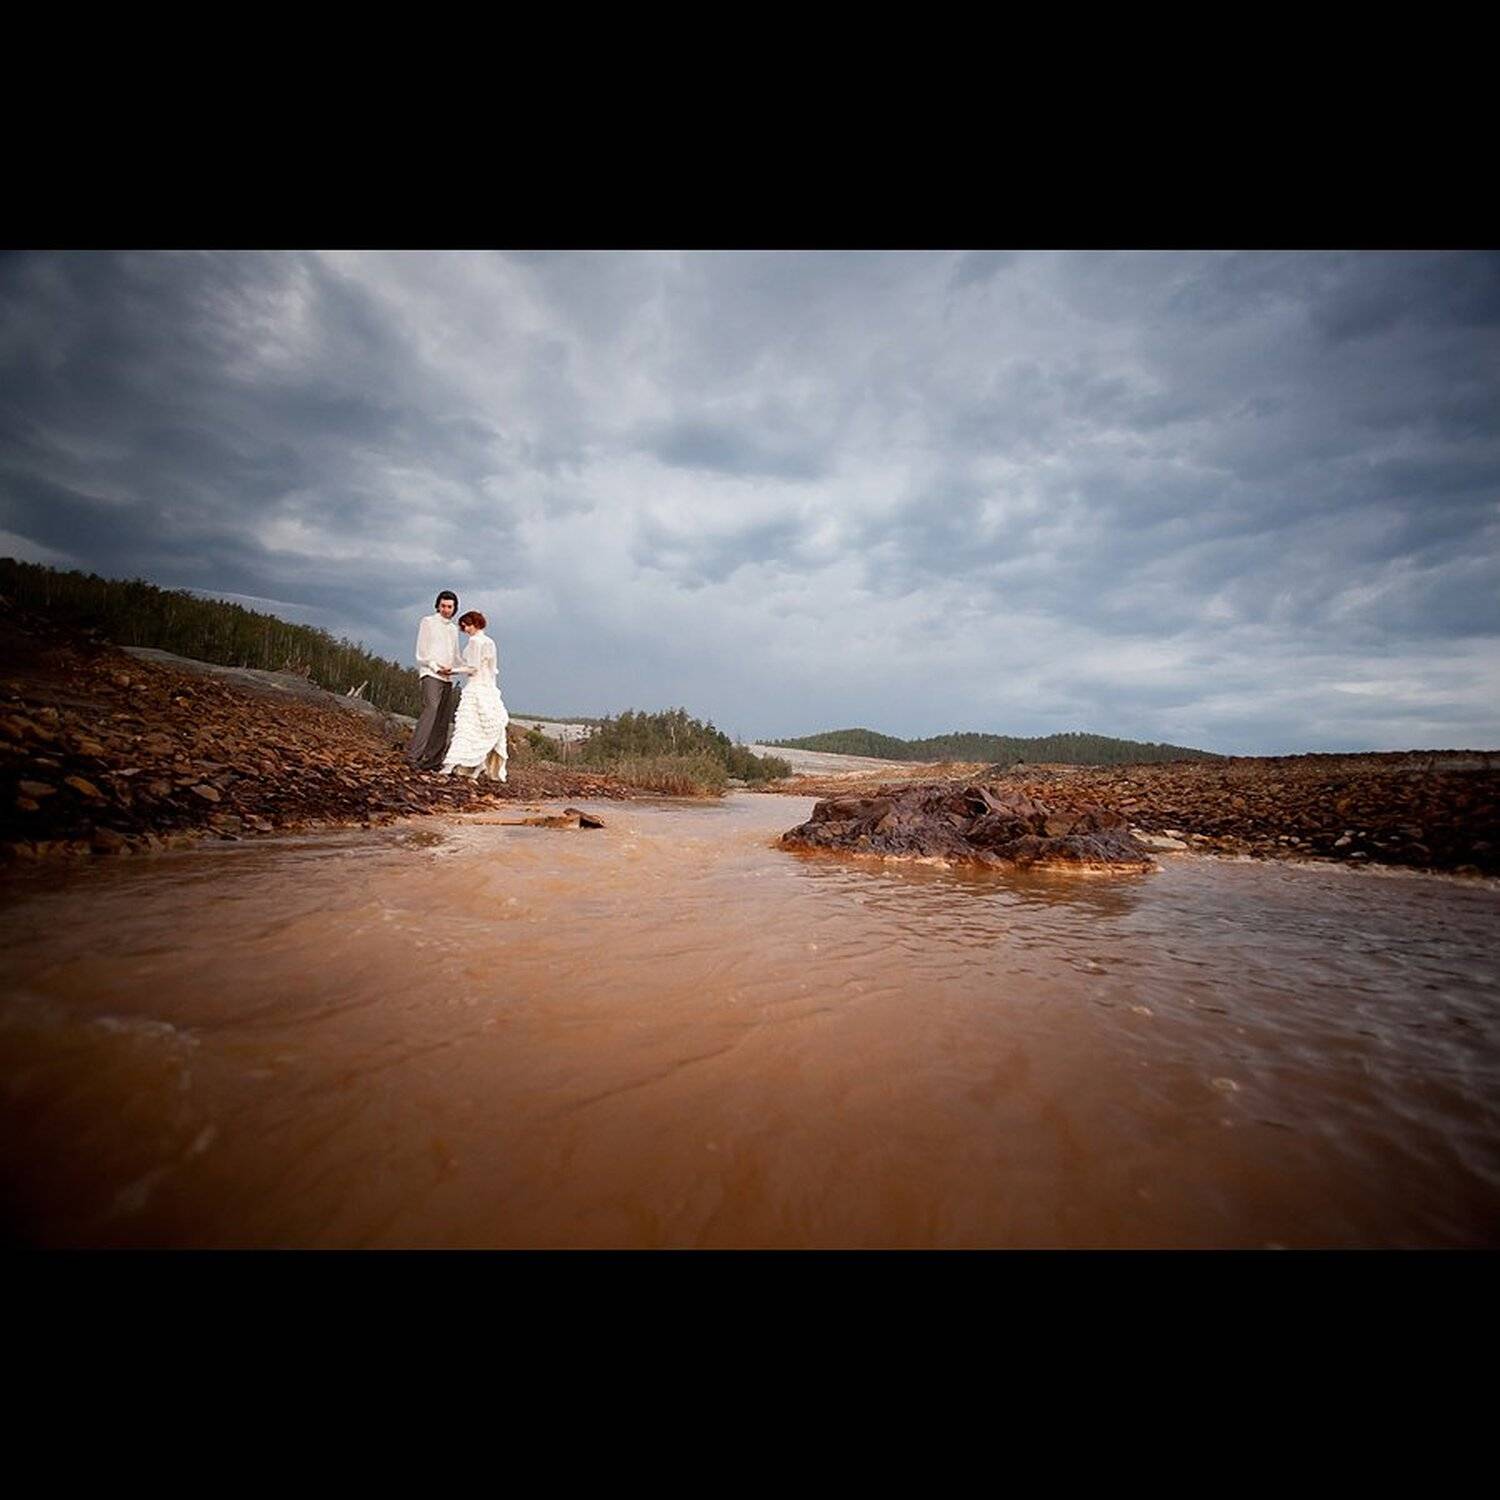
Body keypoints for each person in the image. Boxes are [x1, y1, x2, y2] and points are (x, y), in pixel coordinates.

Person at [440, 610, 509, 781]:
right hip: (488, 688)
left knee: (466, 727)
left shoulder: (475, 641)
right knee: (480, 729)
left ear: (475, 624)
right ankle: (475, 767)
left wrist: (452, 670)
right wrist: (491, 690)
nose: (465, 629)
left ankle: (452, 765)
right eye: (463, 626)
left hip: (476, 688)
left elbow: (473, 668)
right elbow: (492, 670)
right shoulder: (490, 642)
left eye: (467, 625)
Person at [407, 590, 461, 771]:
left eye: (450, 607)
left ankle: (433, 760)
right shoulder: (428, 622)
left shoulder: (453, 629)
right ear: (437, 605)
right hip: (431, 673)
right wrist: (436, 668)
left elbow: (455, 655)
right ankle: (413, 756)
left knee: (443, 719)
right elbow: (421, 653)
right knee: (430, 710)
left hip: (447, 677)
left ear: (454, 609)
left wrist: (469, 667)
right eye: (443, 606)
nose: (446, 609)